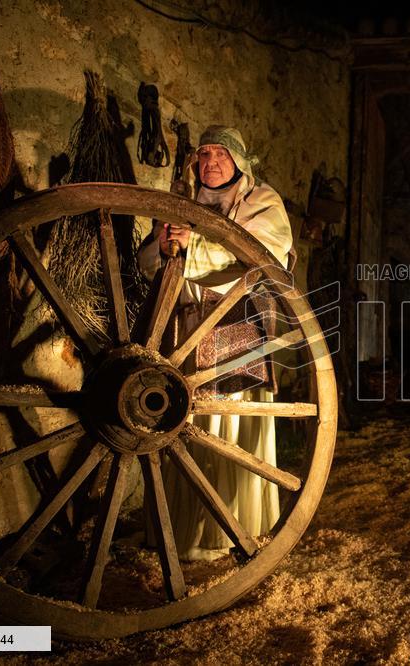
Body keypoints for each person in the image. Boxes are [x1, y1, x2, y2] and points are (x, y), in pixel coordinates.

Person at [139, 125, 293, 560]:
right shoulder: (183, 203)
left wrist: (197, 245)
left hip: (236, 327)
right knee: (186, 423)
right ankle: (181, 533)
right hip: (185, 331)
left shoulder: (263, 202)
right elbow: (149, 263)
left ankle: (226, 532)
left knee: (228, 425)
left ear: (238, 161)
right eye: (202, 156)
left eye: (219, 155)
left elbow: (262, 251)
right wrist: (166, 246)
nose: (209, 164)